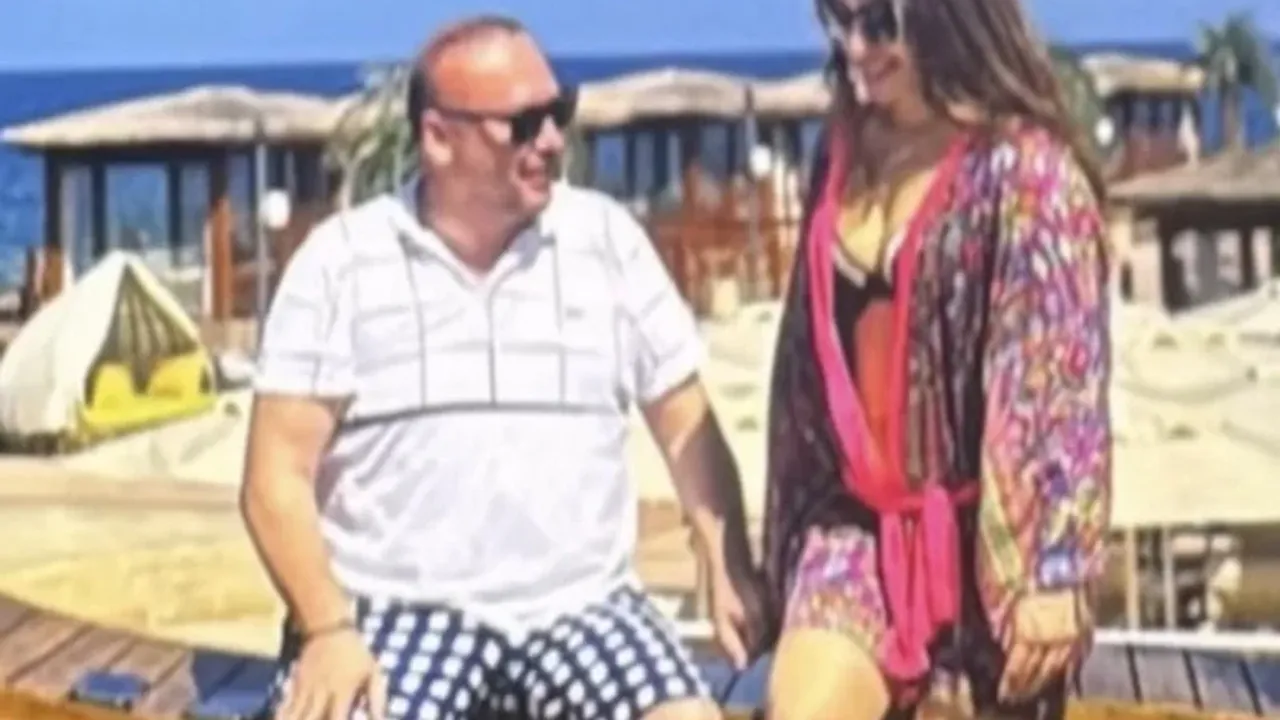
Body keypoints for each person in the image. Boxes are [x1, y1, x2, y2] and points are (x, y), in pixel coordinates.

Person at [241, 15, 764, 720]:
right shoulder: (342, 263)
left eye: (558, 112)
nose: (551, 140)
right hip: (393, 610)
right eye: (523, 124)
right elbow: (275, 476)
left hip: (584, 607)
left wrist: (727, 560)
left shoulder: (605, 241)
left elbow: (683, 421)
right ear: (438, 137)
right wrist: (327, 629)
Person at [760, 0, 1112, 718]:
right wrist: (775, 551)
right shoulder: (840, 151)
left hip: (992, 550)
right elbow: (801, 367)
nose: (857, 48)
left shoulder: (1026, 173)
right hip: (855, 531)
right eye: (840, 21)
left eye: (879, 24)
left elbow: (1057, 380)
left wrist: (1055, 567)